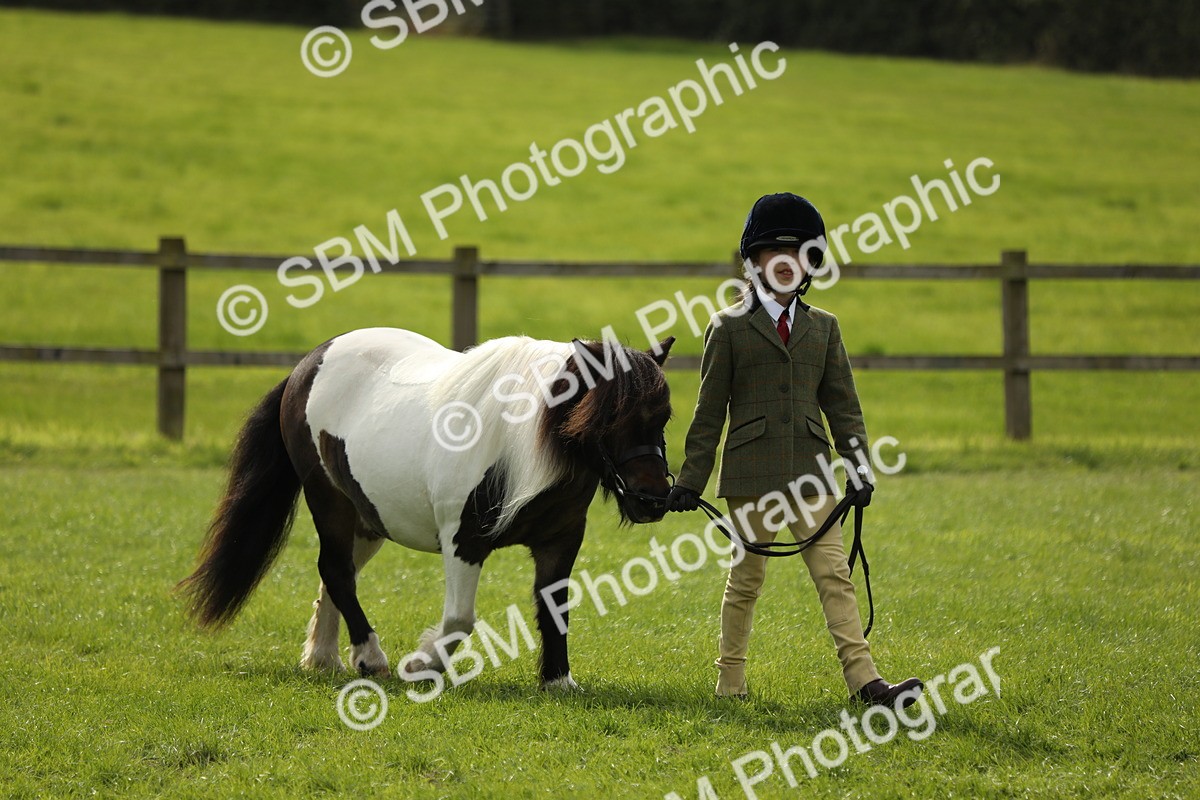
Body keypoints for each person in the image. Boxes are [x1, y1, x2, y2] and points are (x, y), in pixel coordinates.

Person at [666, 192, 923, 707]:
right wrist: (690, 481)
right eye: (773, 254)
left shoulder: (824, 327)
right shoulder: (728, 328)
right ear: (753, 262)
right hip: (750, 476)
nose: (786, 264)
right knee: (746, 580)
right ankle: (730, 683)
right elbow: (708, 415)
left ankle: (865, 683)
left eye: (799, 255)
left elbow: (843, 406)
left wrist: (859, 468)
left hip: (811, 474)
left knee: (835, 574)